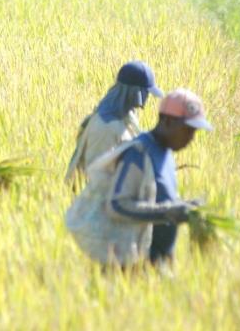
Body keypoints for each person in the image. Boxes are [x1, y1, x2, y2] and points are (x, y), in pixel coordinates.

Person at [105, 89, 213, 266]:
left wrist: (186, 207)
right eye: (187, 130)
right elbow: (117, 205)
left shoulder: (167, 154)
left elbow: (163, 199)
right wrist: (167, 212)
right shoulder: (139, 152)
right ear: (167, 121)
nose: (191, 138)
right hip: (132, 266)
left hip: (158, 266)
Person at [64, 60, 163, 186]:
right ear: (136, 93)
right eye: (146, 92)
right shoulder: (106, 127)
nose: (148, 97)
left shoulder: (128, 117)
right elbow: (97, 177)